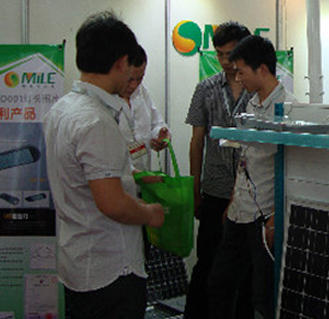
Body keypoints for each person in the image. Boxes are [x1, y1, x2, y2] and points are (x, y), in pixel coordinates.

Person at [44, 11, 165, 319]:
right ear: (122, 62)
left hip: (77, 260)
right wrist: (149, 213)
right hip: (110, 268)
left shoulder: (62, 109)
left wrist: (134, 177)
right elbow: (112, 204)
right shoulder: (96, 120)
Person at [208, 35, 298, 319]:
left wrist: (277, 216)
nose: (238, 77)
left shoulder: (290, 108)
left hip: (265, 215)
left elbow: (294, 169)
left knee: (263, 294)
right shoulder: (251, 105)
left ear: (262, 69)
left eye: (241, 71)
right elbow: (246, 158)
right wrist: (232, 200)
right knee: (219, 282)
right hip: (240, 210)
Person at [184, 22, 252, 319]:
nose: (225, 61)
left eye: (231, 54)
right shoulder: (206, 88)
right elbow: (196, 141)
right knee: (207, 264)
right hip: (214, 189)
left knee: (246, 271)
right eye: (220, 54)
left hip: (250, 195)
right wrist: (194, 188)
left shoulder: (257, 90)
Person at [118, 44, 170, 173]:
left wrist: (159, 135)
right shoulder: (105, 100)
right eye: (129, 79)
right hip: (118, 180)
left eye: (139, 78)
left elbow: (156, 123)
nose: (134, 85)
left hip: (144, 174)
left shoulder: (142, 92)